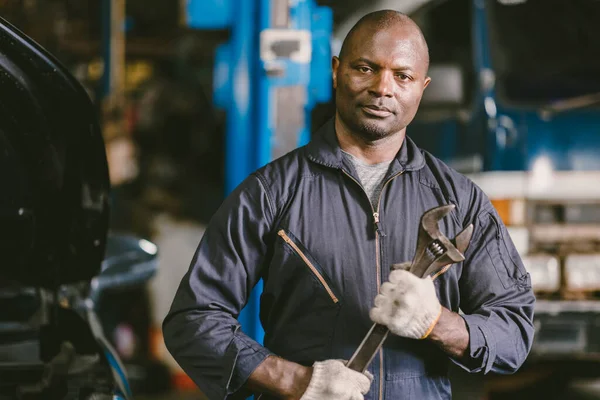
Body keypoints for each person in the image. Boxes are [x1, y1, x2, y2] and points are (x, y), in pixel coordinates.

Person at [163, 10, 535, 400]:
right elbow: (194, 320)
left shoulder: (461, 201)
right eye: (365, 68)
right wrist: (296, 381)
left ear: (422, 87)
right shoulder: (270, 193)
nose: (382, 88)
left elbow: (514, 333)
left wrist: (436, 322)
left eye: (402, 76)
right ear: (337, 71)